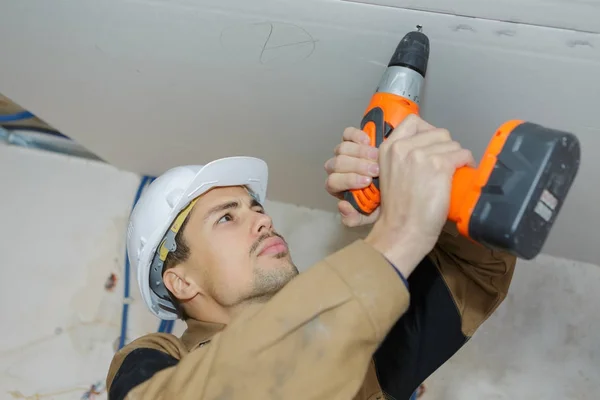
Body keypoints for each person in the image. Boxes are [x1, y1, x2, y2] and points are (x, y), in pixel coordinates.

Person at [106, 114, 516, 400]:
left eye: (257, 208)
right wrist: (396, 239)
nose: (263, 221)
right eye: (227, 217)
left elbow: (474, 271)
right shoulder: (154, 360)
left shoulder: (355, 340)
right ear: (181, 281)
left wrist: (432, 197)